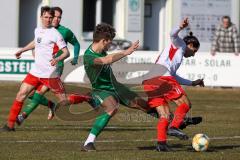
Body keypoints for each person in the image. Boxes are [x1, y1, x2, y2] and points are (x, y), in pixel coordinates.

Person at [0, 6, 89, 132]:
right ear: (41, 17)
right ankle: (9, 125)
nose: (48, 20)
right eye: (46, 17)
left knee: (64, 102)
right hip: (35, 72)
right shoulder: (38, 30)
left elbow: (66, 52)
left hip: (50, 74)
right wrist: (22, 50)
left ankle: (86, 97)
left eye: (50, 18)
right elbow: (36, 42)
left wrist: (57, 59)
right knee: (21, 94)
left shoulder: (56, 34)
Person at [142, 18, 204, 151]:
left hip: (150, 81)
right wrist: (180, 26)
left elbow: (174, 76)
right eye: (194, 51)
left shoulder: (175, 55)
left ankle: (161, 144)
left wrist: (192, 83)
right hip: (162, 78)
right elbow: (172, 34)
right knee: (185, 104)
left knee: (164, 115)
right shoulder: (180, 44)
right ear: (190, 45)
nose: (193, 55)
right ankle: (175, 126)